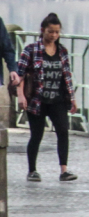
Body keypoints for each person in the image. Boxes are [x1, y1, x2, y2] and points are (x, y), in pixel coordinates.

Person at [14, 13, 77, 182]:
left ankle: (64, 170)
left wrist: (72, 98)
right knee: (36, 135)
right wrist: (21, 97)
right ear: (43, 31)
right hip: (37, 100)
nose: (54, 35)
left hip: (57, 99)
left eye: (57, 32)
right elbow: (20, 76)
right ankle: (32, 170)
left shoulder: (62, 50)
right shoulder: (31, 50)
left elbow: (67, 76)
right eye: (51, 32)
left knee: (63, 132)